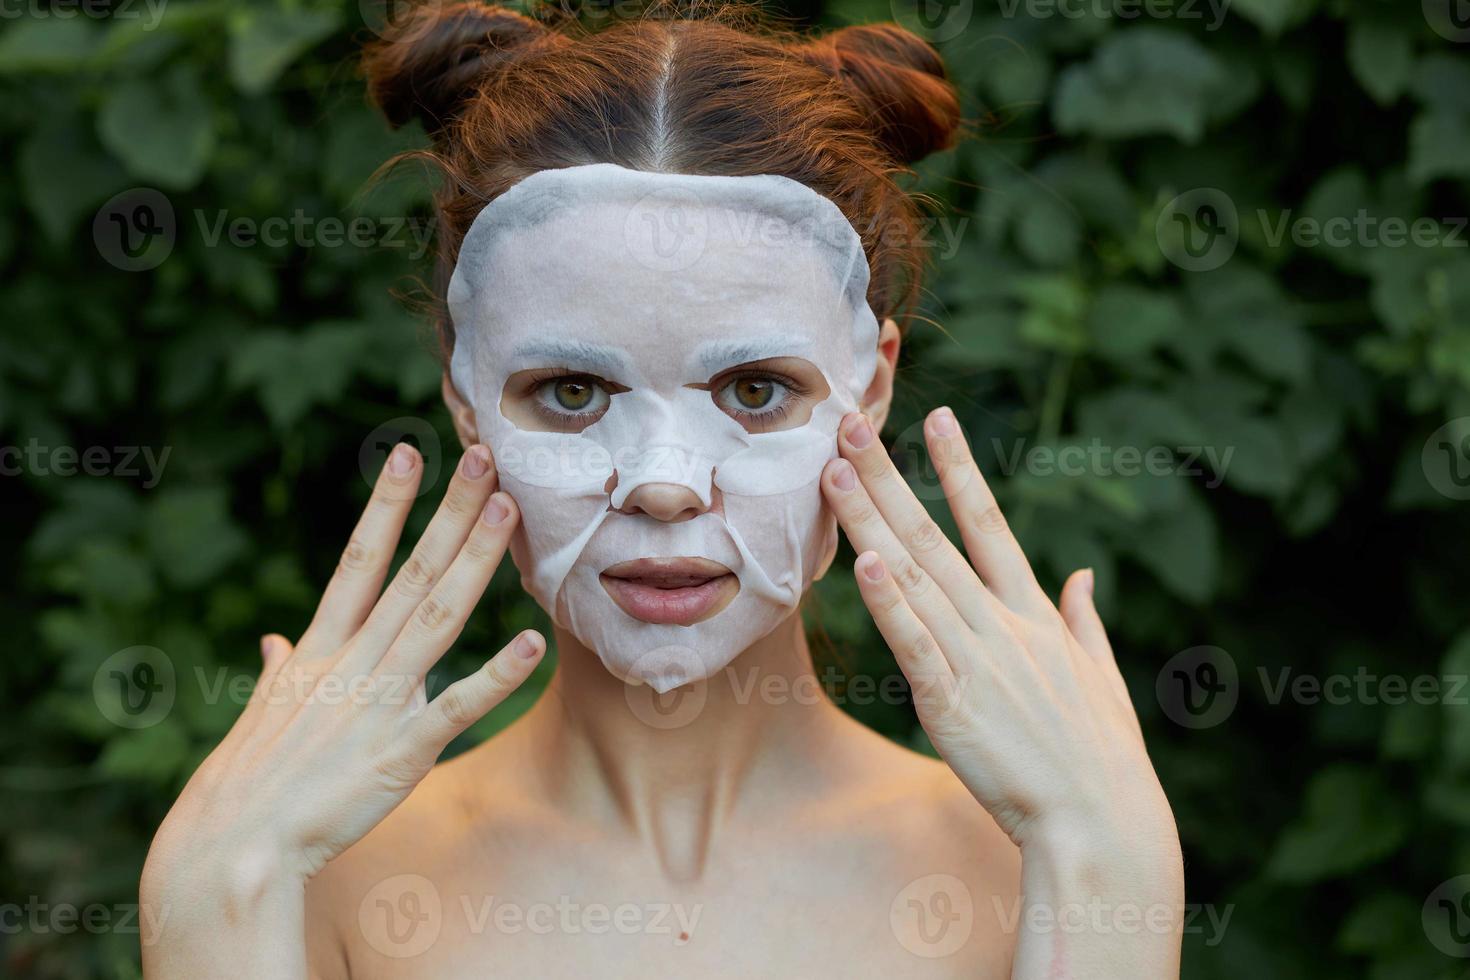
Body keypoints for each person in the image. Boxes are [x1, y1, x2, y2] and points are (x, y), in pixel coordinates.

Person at [140, 4, 1184, 976]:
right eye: (574, 389)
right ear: (467, 400)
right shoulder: (323, 880)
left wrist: (1110, 868)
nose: (666, 487)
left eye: (757, 388)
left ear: (871, 386)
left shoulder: (1030, 864)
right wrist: (210, 895)